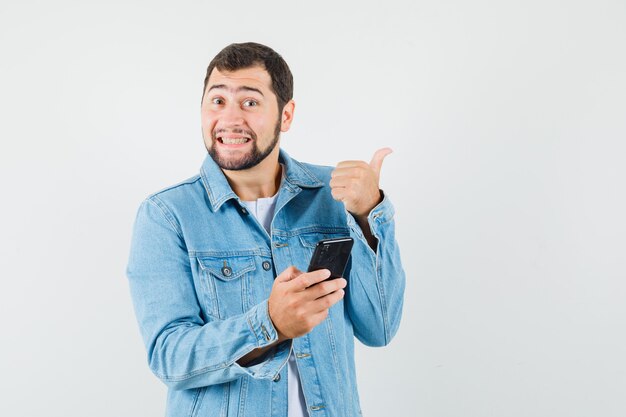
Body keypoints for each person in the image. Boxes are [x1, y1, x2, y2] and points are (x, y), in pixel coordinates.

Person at [127, 42, 405, 417]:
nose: (229, 119)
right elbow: (169, 358)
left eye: (250, 102)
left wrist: (369, 215)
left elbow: (380, 328)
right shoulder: (167, 215)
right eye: (218, 101)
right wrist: (269, 324)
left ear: (286, 115)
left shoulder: (336, 196)